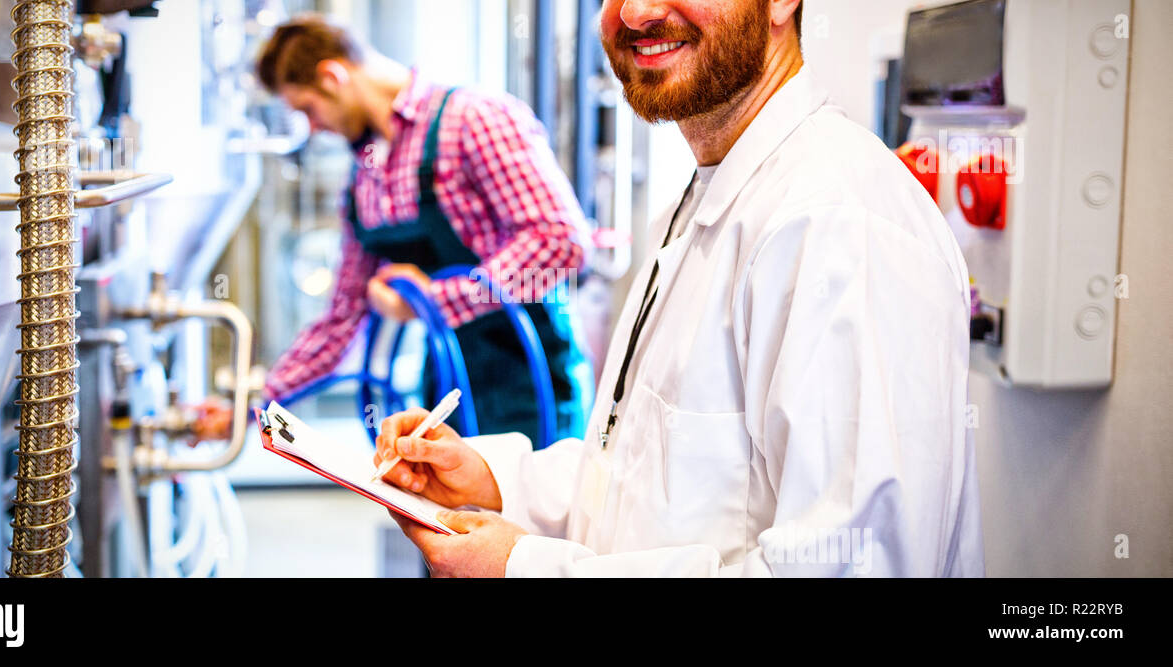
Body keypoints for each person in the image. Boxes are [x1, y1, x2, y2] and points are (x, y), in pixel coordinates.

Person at [374, 0, 985, 577]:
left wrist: (526, 566)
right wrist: (495, 481)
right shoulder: (700, 201)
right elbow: (645, 475)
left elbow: (854, 567)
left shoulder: (839, 223)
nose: (636, 12)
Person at [253, 15, 593, 447]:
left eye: (308, 110)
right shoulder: (365, 174)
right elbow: (343, 316)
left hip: (531, 387)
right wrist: (258, 406)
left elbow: (560, 242)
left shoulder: (473, 119)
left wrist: (429, 302)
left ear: (332, 76)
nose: (313, 128)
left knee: (526, 514)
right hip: (447, 385)